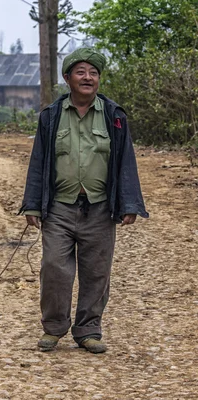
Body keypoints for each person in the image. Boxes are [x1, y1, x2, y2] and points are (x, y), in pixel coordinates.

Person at [20, 48, 148, 354]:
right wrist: (33, 204)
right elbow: (38, 162)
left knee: (96, 272)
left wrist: (129, 203)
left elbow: (125, 161)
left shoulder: (114, 116)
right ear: (67, 78)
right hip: (60, 207)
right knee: (54, 268)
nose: (87, 77)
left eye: (93, 72)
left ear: (99, 79)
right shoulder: (51, 116)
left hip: (100, 208)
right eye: (80, 72)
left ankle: (89, 330)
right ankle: (53, 328)